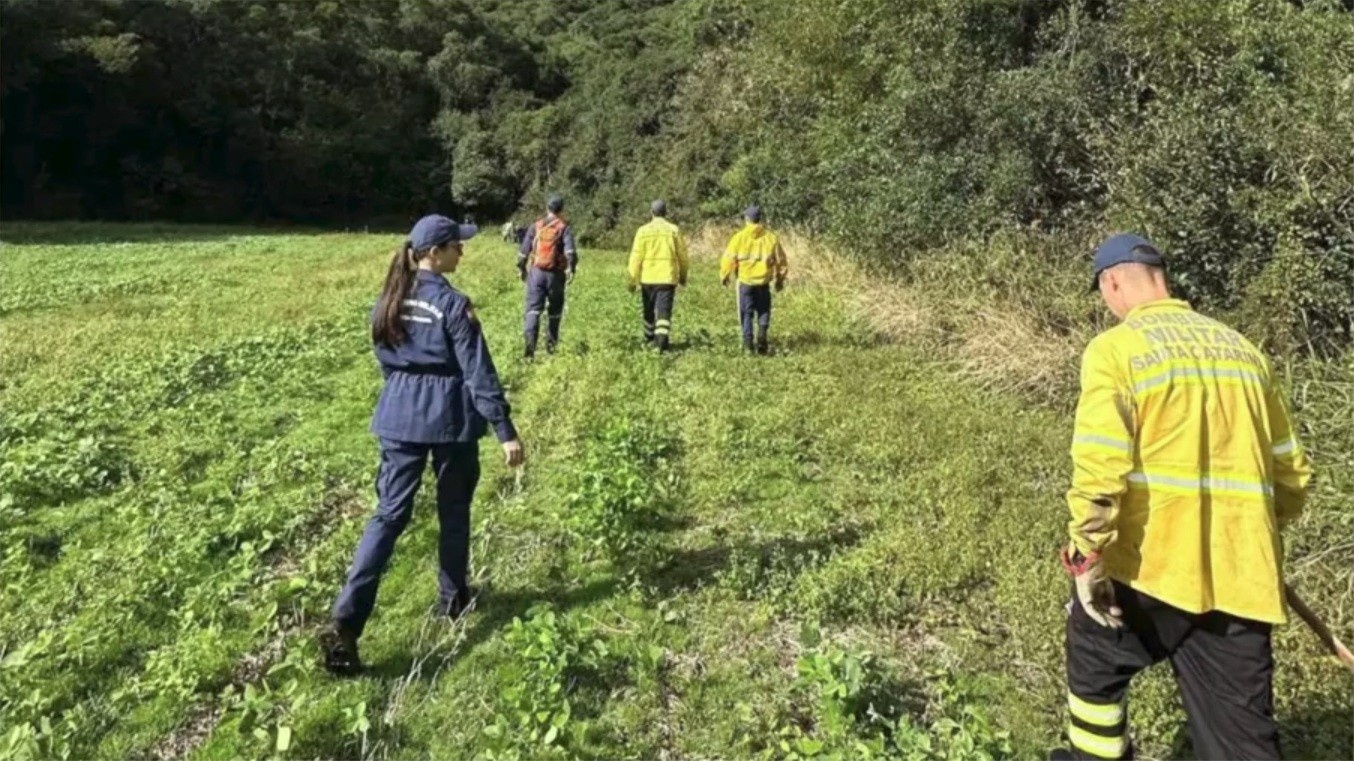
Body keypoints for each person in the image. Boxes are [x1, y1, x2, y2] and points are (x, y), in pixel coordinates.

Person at [1052, 234, 1311, 760]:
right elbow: (1292, 472)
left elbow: (1101, 465)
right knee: (1239, 737)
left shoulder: (1116, 351)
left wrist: (1088, 555)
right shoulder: (1244, 353)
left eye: (1105, 294)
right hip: (1241, 574)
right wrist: (1258, 535)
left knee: (1097, 662)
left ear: (1114, 282)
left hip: (1150, 567)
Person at [320, 214, 526, 675]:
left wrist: (405, 389)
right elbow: (478, 372)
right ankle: (453, 600)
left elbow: (383, 355)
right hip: (449, 418)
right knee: (454, 510)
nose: (462, 252)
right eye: (457, 245)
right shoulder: (453, 304)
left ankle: (346, 621)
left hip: (397, 413)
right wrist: (504, 430)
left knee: (388, 515)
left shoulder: (390, 297)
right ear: (435, 252)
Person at [720, 205, 788, 354]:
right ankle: (762, 335)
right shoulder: (771, 238)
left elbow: (729, 258)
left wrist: (725, 275)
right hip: (764, 283)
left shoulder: (739, 238)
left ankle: (748, 344)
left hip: (745, 282)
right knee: (764, 310)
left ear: (747, 219)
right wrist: (779, 279)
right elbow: (781, 260)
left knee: (746, 313)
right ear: (759, 219)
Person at [517, 195, 578, 358]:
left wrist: (521, 268)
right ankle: (551, 348)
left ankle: (529, 350)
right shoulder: (563, 227)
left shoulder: (536, 226)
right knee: (555, 311)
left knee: (533, 311)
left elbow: (524, 251)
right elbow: (570, 251)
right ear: (561, 209)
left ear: (547, 208)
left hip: (536, 273)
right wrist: (572, 269)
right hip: (556, 276)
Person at [627, 200, 689, 352]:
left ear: (651, 213)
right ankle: (661, 343)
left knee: (649, 311)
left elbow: (636, 257)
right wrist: (683, 275)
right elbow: (683, 256)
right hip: (667, 278)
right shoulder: (673, 230)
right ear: (665, 212)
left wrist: (632, 280)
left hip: (648, 278)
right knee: (663, 311)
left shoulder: (642, 231)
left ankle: (648, 338)